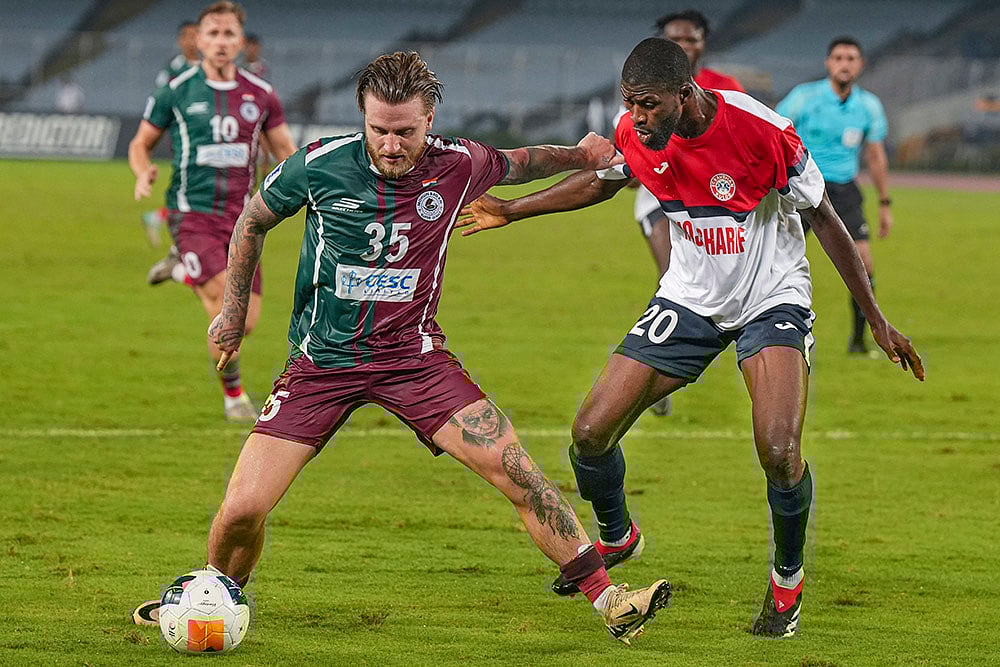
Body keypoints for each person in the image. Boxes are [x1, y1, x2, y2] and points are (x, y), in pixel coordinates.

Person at [131, 50, 673, 645]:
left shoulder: (460, 163)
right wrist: (232, 315)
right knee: (241, 511)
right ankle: (210, 596)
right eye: (379, 131)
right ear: (363, 118)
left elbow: (523, 162)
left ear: (430, 119)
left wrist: (582, 155)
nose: (391, 146)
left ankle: (611, 599)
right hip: (321, 365)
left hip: (414, 360)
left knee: (517, 471)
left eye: (406, 132)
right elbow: (252, 221)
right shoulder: (318, 165)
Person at [458, 37, 925, 637]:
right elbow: (603, 182)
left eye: (649, 104)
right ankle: (618, 535)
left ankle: (786, 583)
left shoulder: (761, 130)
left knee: (779, 451)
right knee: (590, 434)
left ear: (687, 94)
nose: (639, 117)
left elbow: (826, 220)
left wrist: (877, 319)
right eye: (631, 104)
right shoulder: (638, 131)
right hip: (689, 299)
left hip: (771, 297)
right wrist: (514, 210)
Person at [128, 1, 297, 421]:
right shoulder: (177, 89)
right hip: (192, 214)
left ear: (240, 42)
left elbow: (286, 153)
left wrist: (312, 190)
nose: (221, 42)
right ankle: (234, 396)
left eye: (228, 35)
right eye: (213, 34)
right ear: (198, 40)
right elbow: (139, 143)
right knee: (226, 307)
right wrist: (142, 171)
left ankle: (181, 268)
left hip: (245, 220)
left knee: (246, 321)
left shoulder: (261, 95)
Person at [635, 9, 746, 416]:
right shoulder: (645, 88)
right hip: (661, 198)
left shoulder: (726, 88)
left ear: (703, 43)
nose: (684, 46)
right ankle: (654, 371)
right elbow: (633, 151)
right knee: (674, 276)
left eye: (691, 38)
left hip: (715, 200)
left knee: (720, 281)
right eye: (674, 40)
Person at [776, 37, 893, 355]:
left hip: (844, 190)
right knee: (777, 259)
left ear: (860, 65)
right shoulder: (804, 98)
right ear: (828, 63)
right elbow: (773, 132)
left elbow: (875, 156)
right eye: (839, 57)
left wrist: (884, 202)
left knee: (863, 262)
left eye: (851, 58)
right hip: (802, 187)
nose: (845, 63)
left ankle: (859, 340)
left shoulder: (868, 106)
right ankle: (764, 331)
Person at [144, 20, 201, 251]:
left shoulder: (211, 67)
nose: (192, 40)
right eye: (187, 35)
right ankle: (184, 244)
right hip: (185, 138)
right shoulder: (173, 70)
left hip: (208, 137)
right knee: (194, 186)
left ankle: (160, 219)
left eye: (195, 35)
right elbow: (161, 104)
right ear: (180, 40)